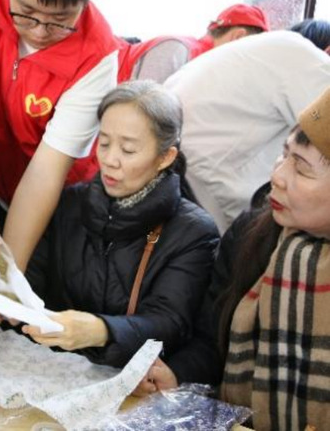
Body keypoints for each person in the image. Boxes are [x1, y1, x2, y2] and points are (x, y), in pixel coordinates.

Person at [0, 81, 219, 367]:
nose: (110, 160)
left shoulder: (193, 232)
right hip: (49, 369)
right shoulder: (68, 204)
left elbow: (170, 323)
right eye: (103, 143)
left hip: (127, 380)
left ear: (165, 157)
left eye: (128, 150)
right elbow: (29, 288)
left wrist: (102, 331)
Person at [137, 87, 330, 431]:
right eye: (284, 154)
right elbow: (212, 337)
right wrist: (178, 373)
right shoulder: (254, 234)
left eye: (301, 169)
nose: (277, 176)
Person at [0, 0, 120, 272]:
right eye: (26, 12)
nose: (39, 32)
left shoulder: (97, 57)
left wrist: (5, 274)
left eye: (60, 20)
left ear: (84, 2)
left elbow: (46, 172)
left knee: (22, 275)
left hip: (56, 196)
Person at [164, 26, 330, 233]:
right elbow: (322, 129)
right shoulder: (309, 62)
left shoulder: (273, 47)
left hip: (175, 163)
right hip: (206, 183)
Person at [117, 4, 269, 83]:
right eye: (251, 50)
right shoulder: (177, 50)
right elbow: (139, 112)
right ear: (238, 37)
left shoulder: (192, 58)